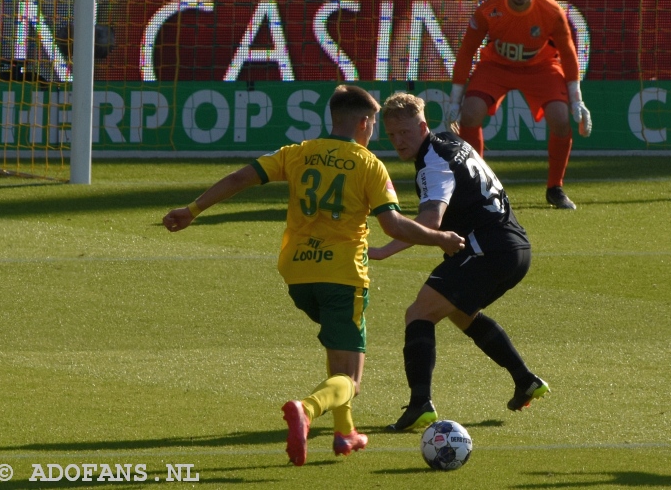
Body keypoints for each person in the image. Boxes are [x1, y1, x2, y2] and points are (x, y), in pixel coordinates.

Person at [162, 85, 465, 465]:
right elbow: (394, 226)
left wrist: (192, 209)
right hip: (341, 274)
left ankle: (345, 433)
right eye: (372, 126)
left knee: (338, 349)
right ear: (363, 123)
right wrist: (441, 238)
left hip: (298, 274)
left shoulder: (298, 153)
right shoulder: (368, 164)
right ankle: (306, 409)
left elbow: (241, 178)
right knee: (350, 380)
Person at [370, 92, 549, 432]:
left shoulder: (433, 164)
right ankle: (525, 379)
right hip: (515, 247)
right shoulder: (450, 141)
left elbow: (430, 222)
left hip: (487, 248)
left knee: (419, 313)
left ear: (422, 126)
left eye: (405, 132)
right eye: (391, 135)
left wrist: (382, 250)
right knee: (459, 313)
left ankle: (420, 404)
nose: (398, 141)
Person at [447, 0, 592, 210]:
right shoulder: (488, 10)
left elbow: (569, 53)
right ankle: (477, 186)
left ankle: (555, 188)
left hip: (541, 66)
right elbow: (466, 51)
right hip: (496, 65)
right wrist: (455, 98)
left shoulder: (551, 12)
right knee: (470, 114)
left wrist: (576, 99)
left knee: (560, 118)